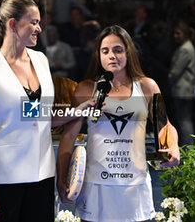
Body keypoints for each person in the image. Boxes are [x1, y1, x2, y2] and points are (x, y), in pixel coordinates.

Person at [0, 0, 94, 222]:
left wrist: (77, 112)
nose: (39, 28)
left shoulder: (41, 60)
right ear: (13, 24)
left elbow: (39, 116)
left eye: (39, 22)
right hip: (4, 177)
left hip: (43, 174)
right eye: (34, 22)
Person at [56, 25, 180, 222]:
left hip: (135, 185)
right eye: (105, 51)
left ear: (129, 52)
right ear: (98, 55)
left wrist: (172, 145)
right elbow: (69, 136)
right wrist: (61, 178)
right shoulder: (86, 89)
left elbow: (164, 125)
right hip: (96, 186)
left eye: (118, 50)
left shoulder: (148, 86)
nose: (112, 55)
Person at [169, 22, 195, 146]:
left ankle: (189, 150)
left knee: (184, 121)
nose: (175, 36)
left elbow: (175, 71)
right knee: (184, 120)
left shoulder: (185, 48)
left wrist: (168, 79)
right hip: (183, 90)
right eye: (174, 33)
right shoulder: (185, 47)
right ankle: (188, 149)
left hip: (183, 90)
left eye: (178, 33)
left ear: (185, 34)